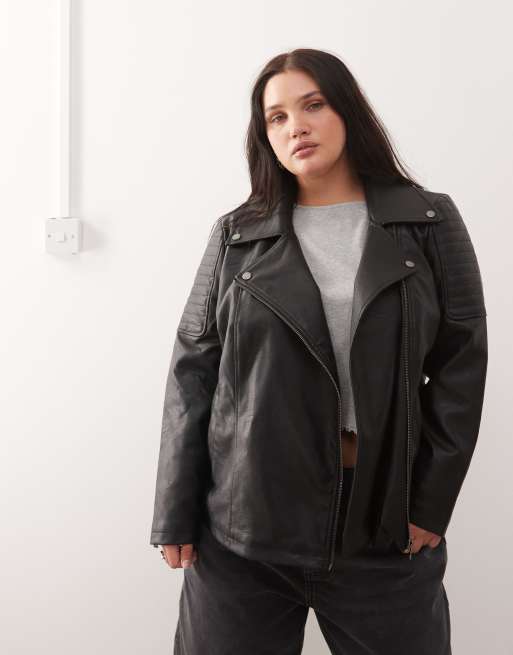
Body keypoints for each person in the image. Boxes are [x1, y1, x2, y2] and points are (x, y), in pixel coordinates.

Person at [149, 48, 488, 654]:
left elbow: (461, 369)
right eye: (276, 117)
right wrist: (174, 512)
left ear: (348, 112)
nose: (295, 127)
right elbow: (193, 373)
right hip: (244, 529)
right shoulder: (236, 234)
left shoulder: (429, 222)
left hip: (382, 527)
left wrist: (430, 505)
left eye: (313, 105)